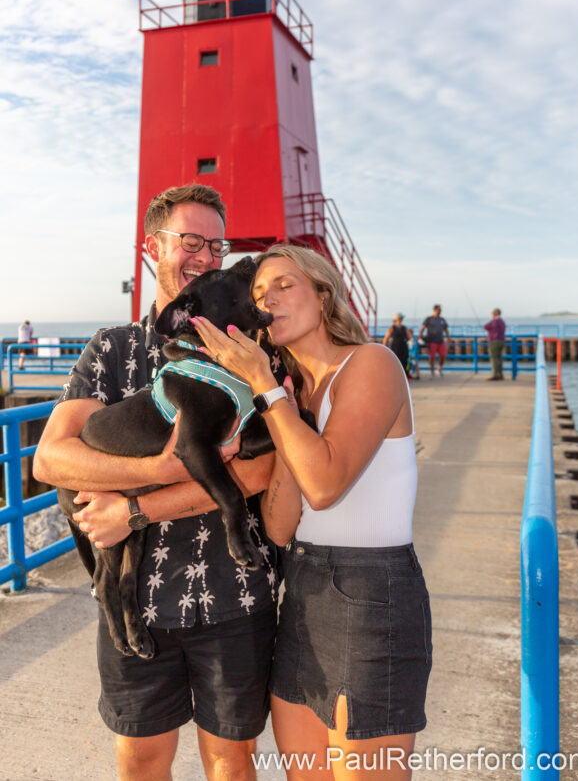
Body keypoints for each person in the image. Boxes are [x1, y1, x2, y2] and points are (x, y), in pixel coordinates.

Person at [34, 184, 279, 781]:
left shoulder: (254, 347)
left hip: (234, 593)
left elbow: (260, 468)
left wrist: (135, 512)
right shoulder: (113, 349)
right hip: (137, 598)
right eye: (191, 241)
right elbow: (52, 460)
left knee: (231, 758)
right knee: (142, 758)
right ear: (153, 247)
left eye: (216, 244)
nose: (206, 256)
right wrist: (165, 468)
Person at [194, 245, 432, 781]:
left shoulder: (371, 363)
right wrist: (283, 405)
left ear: (324, 294)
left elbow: (324, 487)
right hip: (302, 590)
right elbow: (279, 527)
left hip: (372, 596)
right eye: (258, 293)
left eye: (285, 284)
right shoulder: (294, 394)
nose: (268, 298)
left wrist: (264, 389)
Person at [419, 305, 451, 377]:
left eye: (440, 310)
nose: (439, 311)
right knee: (431, 357)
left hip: (441, 341)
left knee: (443, 355)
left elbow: (446, 330)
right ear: (434, 310)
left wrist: (449, 339)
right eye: (438, 309)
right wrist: (420, 336)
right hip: (432, 341)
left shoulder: (442, 319)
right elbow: (422, 328)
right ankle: (432, 372)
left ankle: (439, 369)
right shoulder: (429, 319)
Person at [484, 308, 506, 381]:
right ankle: (500, 374)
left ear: (496, 313)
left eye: (492, 313)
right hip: (501, 340)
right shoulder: (502, 321)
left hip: (494, 341)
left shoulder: (495, 321)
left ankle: (495, 374)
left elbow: (486, 326)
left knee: (494, 358)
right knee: (499, 358)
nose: (492, 314)